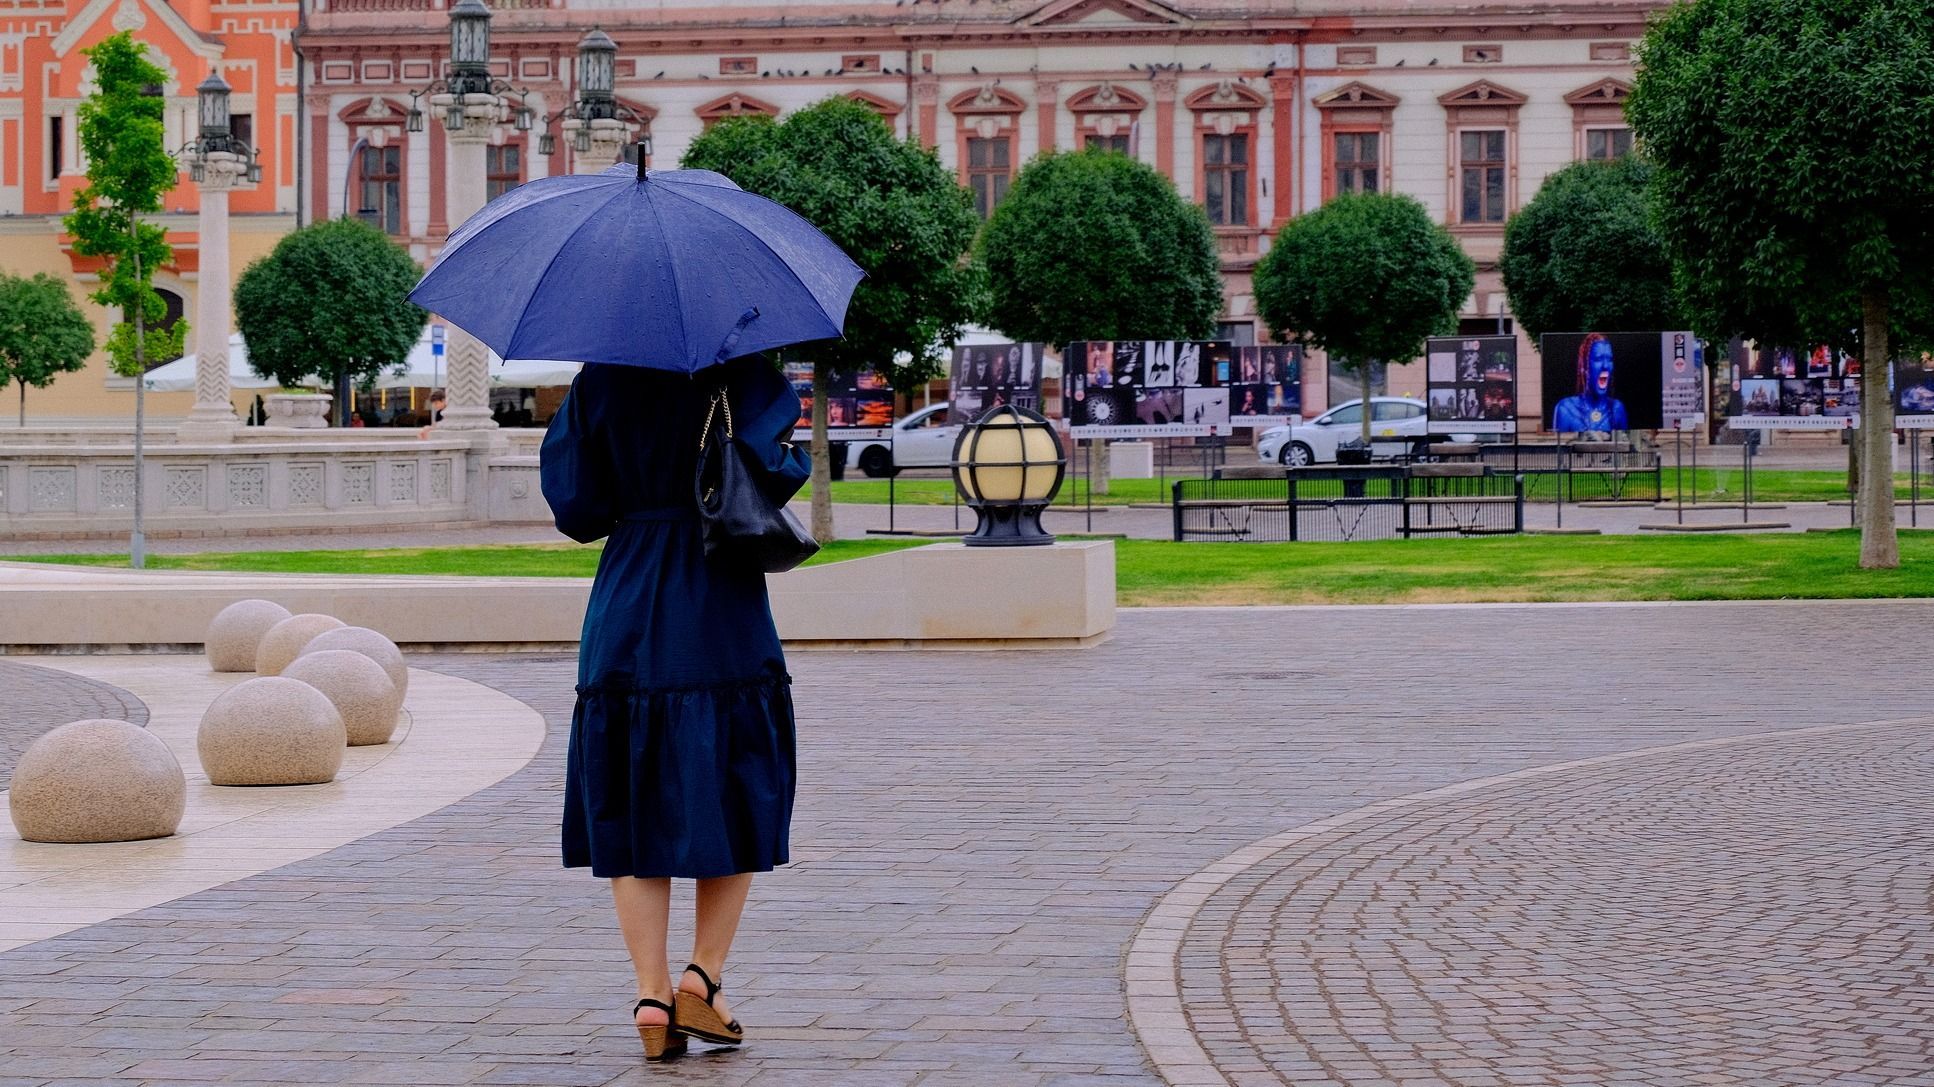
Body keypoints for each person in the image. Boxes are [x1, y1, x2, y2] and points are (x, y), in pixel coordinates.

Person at [540, 357, 808, 1063]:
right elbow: (778, 475)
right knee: (736, 780)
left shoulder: (599, 379)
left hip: (628, 594)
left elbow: (576, 509)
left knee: (630, 795)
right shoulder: (747, 374)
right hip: (718, 597)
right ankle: (703, 974)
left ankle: (653, 994)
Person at [1551, 333, 1629, 434]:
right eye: (1598, 359)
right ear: (1584, 366)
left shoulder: (1617, 409)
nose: (1605, 365)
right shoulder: (1566, 409)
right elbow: (1559, 446)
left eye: (1609, 359)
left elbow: (1624, 444)